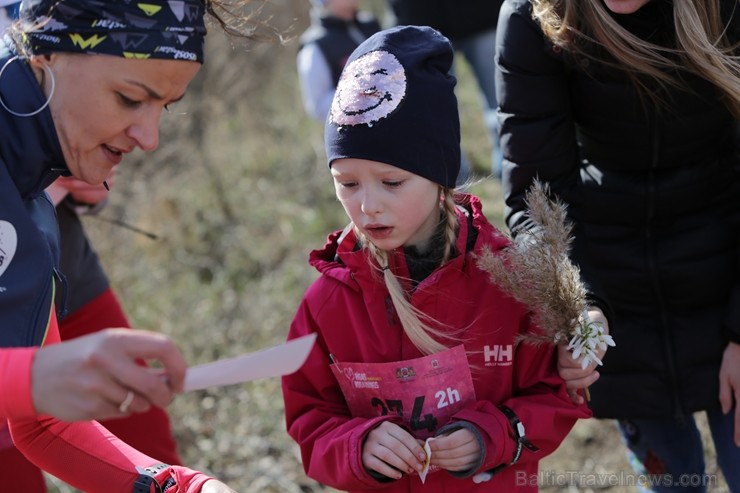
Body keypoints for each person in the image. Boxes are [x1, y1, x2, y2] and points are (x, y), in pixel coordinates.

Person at [281, 25, 590, 492]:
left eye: (391, 182)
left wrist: (492, 436)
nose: (367, 205)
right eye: (347, 183)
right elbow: (310, 419)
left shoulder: (509, 281)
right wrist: (357, 446)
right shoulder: (329, 301)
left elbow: (553, 396)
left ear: (440, 175)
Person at [0, 0, 268, 490]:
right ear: (46, 54)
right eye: (129, 98)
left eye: (163, 107)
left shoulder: (32, 196)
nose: (150, 137)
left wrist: (179, 486)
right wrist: (30, 377)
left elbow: (42, 424)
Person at [496, 0, 740, 491]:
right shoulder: (532, 17)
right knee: (673, 480)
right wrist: (578, 302)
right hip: (614, 280)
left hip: (729, 261)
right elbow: (539, 197)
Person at [387, 0, 505, 178]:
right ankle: (451, 182)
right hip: (420, 20)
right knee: (435, 113)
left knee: (503, 101)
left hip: (484, 14)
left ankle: (510, 171)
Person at [296, 0, 381, 122]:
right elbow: (318, 106)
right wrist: (362, 93)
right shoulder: (316, 46)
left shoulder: (370, 25)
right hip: (356, 132)